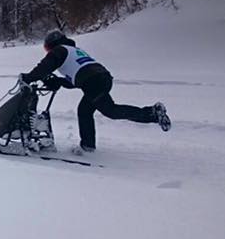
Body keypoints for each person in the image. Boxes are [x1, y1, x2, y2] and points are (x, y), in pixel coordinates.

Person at [20, 30, 170, 153]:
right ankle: (88, 145)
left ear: (52, 45)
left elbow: (44, 67)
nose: (48, 53)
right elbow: (77, 77)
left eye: (47, 49)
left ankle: (152, 113)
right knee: (84, 111)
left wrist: (28, 78)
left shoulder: (59, 50)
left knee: (111, 111)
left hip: (93, 81)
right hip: (101, 77)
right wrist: (59, 82)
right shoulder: (74, 50)